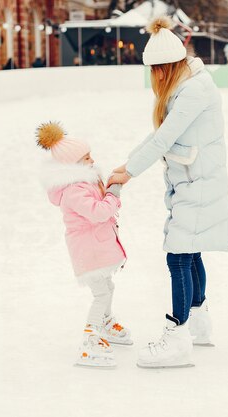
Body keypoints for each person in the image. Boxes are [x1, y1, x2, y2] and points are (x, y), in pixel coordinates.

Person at [108, 16, 228, 369]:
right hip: (195, 182)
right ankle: (199, 325)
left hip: (199, 184)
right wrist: (127, 164)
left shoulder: (194, 90)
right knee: (190, 253)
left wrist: (129, 172)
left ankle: (178, 337)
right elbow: (162, 136)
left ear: (163, 69)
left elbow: (164, 138)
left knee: (178, 256)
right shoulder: (191, 84)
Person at [37, 122, 131, 368]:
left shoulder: (84, 183)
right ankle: (90, 338)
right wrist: (114, 195)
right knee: (101, 293)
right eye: (86, 158)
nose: (92, 160)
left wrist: (108, 186)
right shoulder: (73, 191)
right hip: (89, 253)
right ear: (72, 165)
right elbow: (98, 212)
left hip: (96, 248)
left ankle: (106, 322)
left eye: (90, 155)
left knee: (107, 288)